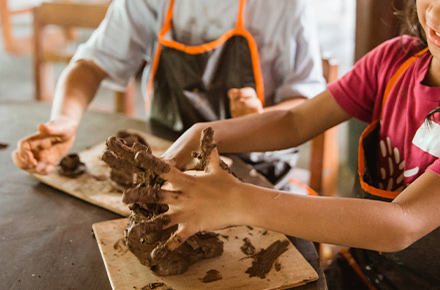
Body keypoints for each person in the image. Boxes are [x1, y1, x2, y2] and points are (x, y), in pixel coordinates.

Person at [119, 0, 440, 289]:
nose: (435, 13)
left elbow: (402, 223)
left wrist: (237, 201)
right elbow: (295, 122)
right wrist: (204, 131)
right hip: (359, 271)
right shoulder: (396, 61)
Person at [11, 0, 325, 183]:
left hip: (253, 170)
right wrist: (65, 119)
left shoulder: (284, 6)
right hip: (165, 160)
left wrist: (258, 118)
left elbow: (306, 107)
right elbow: (91, 65)